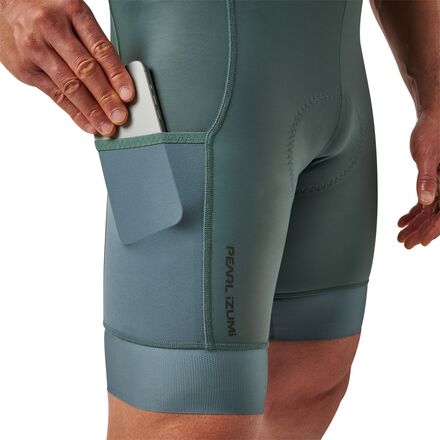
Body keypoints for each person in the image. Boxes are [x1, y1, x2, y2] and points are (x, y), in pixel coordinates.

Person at [1, 0, 439, 439]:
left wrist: (435, 94)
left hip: (338, 94)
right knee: (190, 408)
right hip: (190, 97)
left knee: (310, 383)